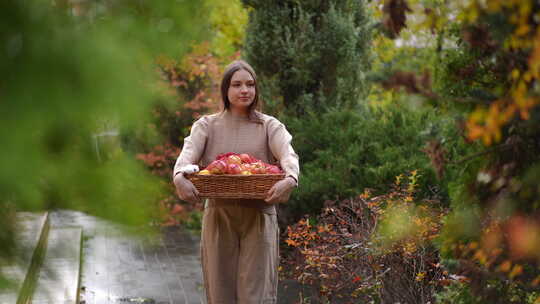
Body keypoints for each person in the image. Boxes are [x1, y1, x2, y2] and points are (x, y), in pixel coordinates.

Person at [172, 60, 300, 304]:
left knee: (257, 294)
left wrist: (291, 178)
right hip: (220, 216)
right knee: (220, 292)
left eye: (250, 84)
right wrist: (179, 177)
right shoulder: (207, 126)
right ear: (225, 90)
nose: (245, 90)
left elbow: (288, 155)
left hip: (259, 216)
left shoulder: (269, 126)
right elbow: (186, 157)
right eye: (237, 84)